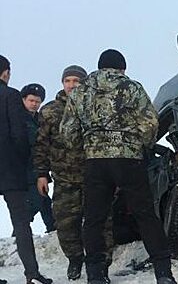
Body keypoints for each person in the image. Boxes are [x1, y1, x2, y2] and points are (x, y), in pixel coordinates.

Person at [60, 49, 176, 284]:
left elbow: (68, 133)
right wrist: (141, 144)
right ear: (122, 68)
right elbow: (150, 124)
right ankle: (163, 273)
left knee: (94, 218)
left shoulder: (80, 92)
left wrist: (89, 143)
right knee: (145, 215)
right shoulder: (132, 87)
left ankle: (95, 274)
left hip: (95, 162)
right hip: (128, 160)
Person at [34, 65, 114, 280]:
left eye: (76, 81)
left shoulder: (96, 108)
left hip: (94, 177)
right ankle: (75, 259)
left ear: (84, 83)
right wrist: (42, 174)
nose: (71, 85)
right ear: (62, 83)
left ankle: (101, 264)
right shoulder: (50, 111)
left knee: (101, 223)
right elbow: (41, 145)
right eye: (67, 81)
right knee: (66, 224)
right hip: (64, 178)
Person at [0, 55, 52, 284]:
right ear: (6, 72)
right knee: (21, 222)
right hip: (11, 169)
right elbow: (19, 135)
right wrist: (22, 161)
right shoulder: (10, 95)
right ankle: (31, 272)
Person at [19, 83, 56, 233]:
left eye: (37, 101)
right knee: (37, 201)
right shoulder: (18, 119)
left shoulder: (38, 120)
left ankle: (52, 228)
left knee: (43, 201)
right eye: (31, 101)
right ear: (24, 100)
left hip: (37, 169)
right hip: (25, 170)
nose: (34, 104)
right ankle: (19, 234)